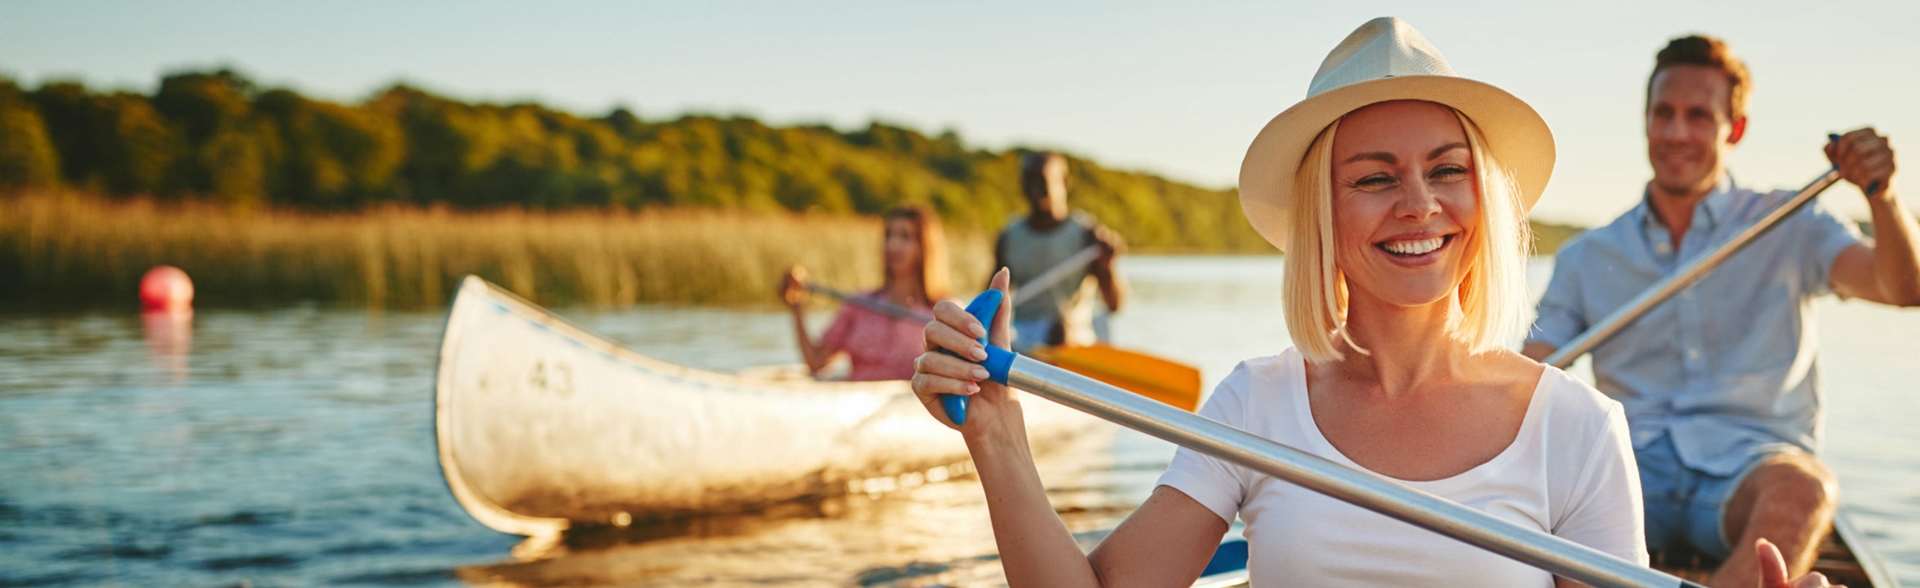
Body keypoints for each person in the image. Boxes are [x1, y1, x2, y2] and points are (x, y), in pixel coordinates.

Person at [911, 18, 1694, 587]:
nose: (1419, 205)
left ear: (1484, 198)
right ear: (1323, 213)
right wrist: (996, 434)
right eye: (1375, 178)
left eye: (1447, 170)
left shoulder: (1578, 427)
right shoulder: (1257, 404)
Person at [1525, 34, 1918, 588]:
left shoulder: (1792, 222)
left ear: (1734, 129)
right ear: (1645, 121)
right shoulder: (1589, 255)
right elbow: (1534, 366)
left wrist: (1882, 195)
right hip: (1632, 471)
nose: (1676, 133)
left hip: (1751, 471)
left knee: (1806, 489)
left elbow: (1904, 287)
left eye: (1698, 116)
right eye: (1663, 113)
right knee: (1542, 490)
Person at [780, 206, 951, 381]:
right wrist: (796, 308)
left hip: (908, 404)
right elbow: (816, 362)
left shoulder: (945, 313)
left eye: (905, 236)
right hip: (854, 403)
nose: (892, 245)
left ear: (925, 247)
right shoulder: (859, 304)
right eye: (888, 235)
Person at [995, 151, 1127, 352]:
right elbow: (991, 297)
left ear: (1064, 183)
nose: (1034, 188)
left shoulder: (1086, 234)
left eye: (1041, 180)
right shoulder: (1009, 236)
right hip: (1022, 336)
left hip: (1074, 335)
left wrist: (1108, 266)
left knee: (1060, 329)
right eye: (1028, 180)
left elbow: (1114, 304)